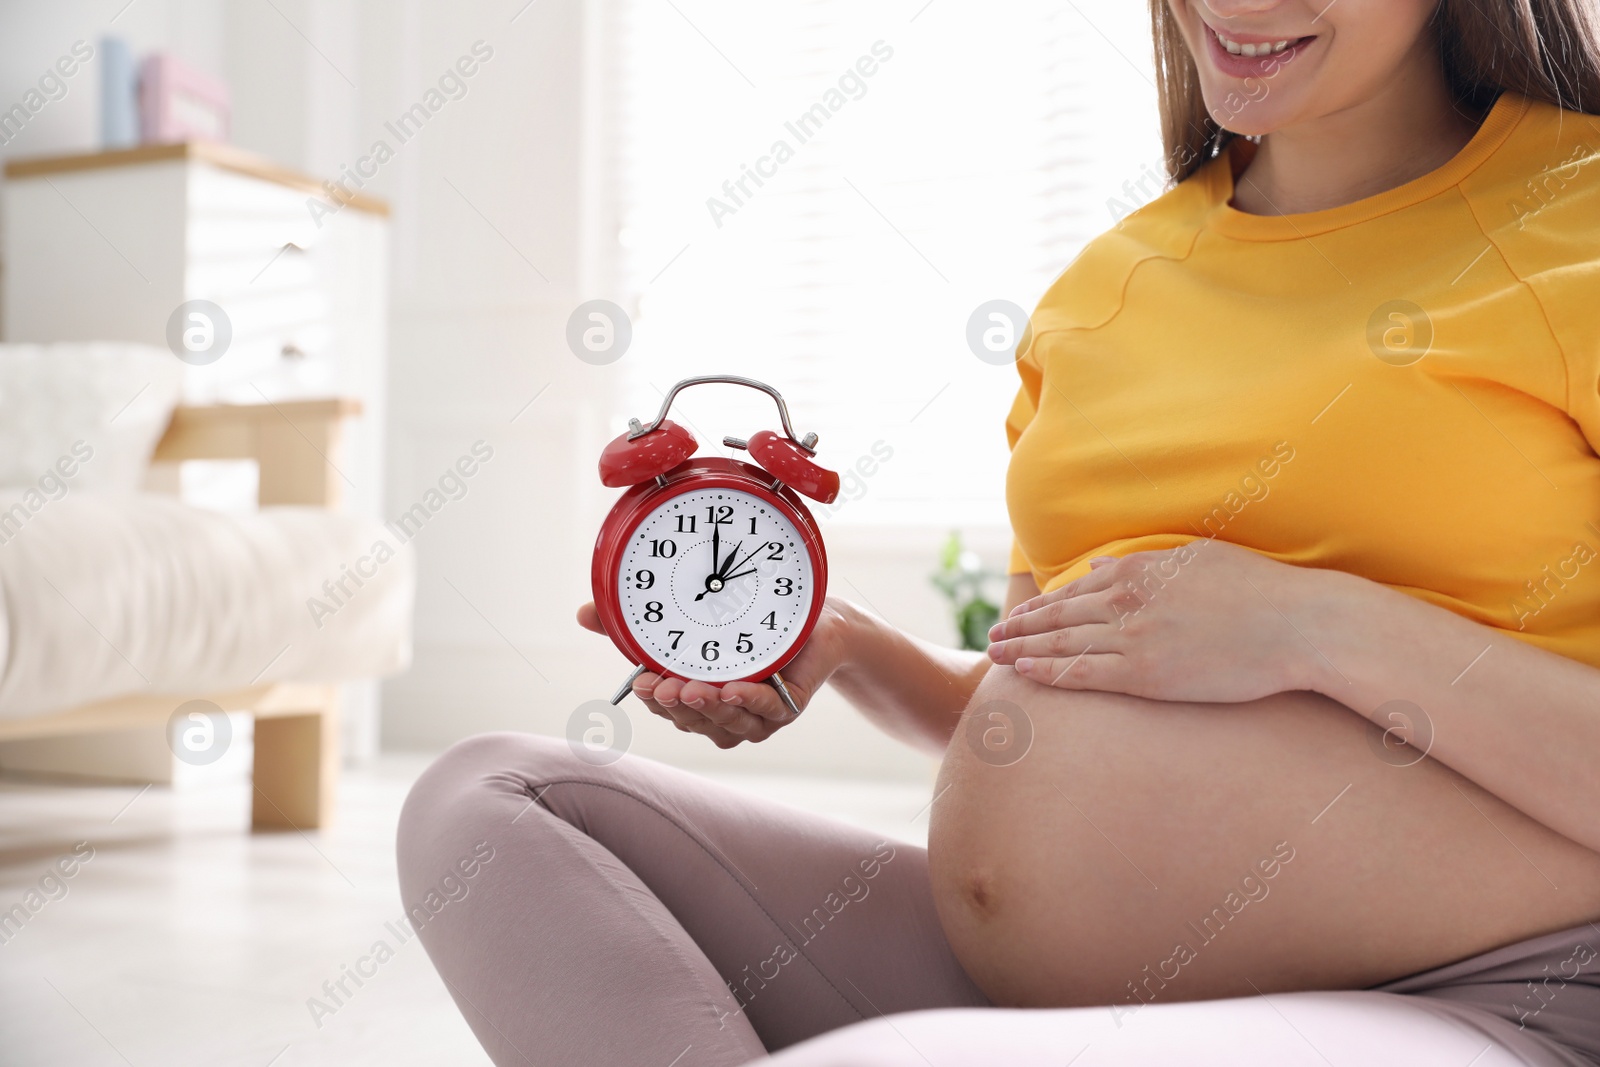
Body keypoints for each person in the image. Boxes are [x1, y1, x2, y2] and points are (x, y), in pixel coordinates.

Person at [398, 1, 1600, 1063]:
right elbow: (1056, 694)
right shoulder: (1106, 288)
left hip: (1481, 995)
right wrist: (854, 648)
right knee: (486, 804)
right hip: (1035, 978)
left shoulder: (1575, 218)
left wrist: (1313, 626)